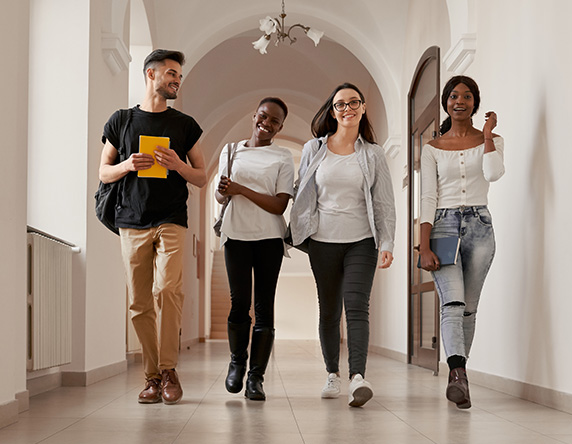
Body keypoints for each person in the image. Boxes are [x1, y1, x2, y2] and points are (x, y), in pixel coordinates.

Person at [98, 49, 207, 405]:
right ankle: (152, 377)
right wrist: (128, 164)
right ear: (151, 74)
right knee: (140, 303)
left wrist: (177, 164)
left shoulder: (185, 125)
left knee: (168, 290)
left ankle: (169, 368)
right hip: (131, 220)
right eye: (172, 74)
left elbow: (202, 177)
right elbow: (103, 172)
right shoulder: (121, 121)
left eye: (179, 76)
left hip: (172, 218)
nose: (177, 80)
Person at [290, 83, 396, 407]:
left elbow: (384, 202)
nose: (347, 108)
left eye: (354, 103)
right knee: (329, 310)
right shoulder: (313, 149)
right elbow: (301, 191)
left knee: (357, 306)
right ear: (332, 111)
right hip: (322, 241)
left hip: (362, 241)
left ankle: (358, 378)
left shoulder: (373, 154)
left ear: (363, 108)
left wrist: (387, 240)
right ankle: (332, 374)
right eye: (340, 104)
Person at [418, 75, 505, 409]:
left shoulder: (493, 140)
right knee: (452, 304)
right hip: (443, 226)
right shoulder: (432, 148)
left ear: (475, 102)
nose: (460, 101)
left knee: (468, 308)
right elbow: (427, 197)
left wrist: (486, 137)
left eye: (467, 96)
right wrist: (424, 246)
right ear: (446, 101)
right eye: (454, 96)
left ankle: (460, 374)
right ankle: (458, 375)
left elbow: (494, 174)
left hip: (481, 226)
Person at [215, 97, 295, 401]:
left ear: (280, 127)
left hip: (269, 239)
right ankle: (237, 363)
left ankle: (256, 378)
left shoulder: (282, 156)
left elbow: (279, 205)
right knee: (238, 304)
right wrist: (225, 193)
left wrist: (240, 189)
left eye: (275, 120)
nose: (267, 123)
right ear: (254, 116)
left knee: (264, 308)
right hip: (235, 235)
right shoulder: (230, 151)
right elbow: (221, 197)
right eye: (264, 116)